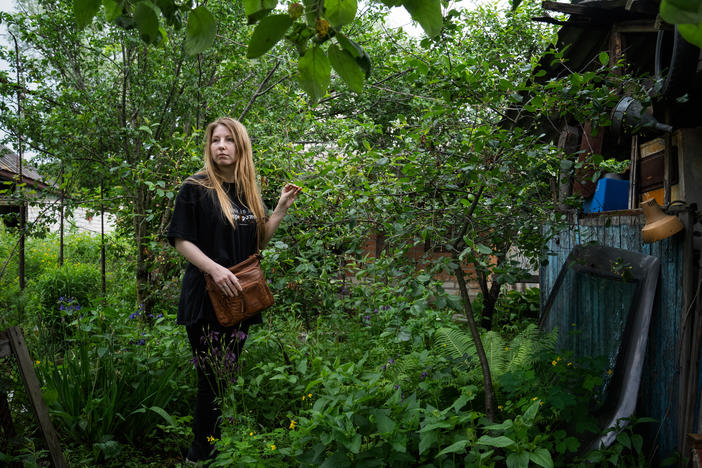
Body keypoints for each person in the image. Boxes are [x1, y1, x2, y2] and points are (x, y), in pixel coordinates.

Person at [167, 117, 301, 463]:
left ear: (241, 147)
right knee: (210, 380)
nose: (221, 146)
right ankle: (200, 456)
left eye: (229, 140)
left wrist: (280, 210)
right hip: (205, 297)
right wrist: (213, 267)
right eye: (215, 140)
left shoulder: (244, 192)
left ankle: (218, 447)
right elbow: (181, 240)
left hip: (238, 299)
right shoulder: (195, 188)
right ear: (209, 147)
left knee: (225, 378)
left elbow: (256, 243)